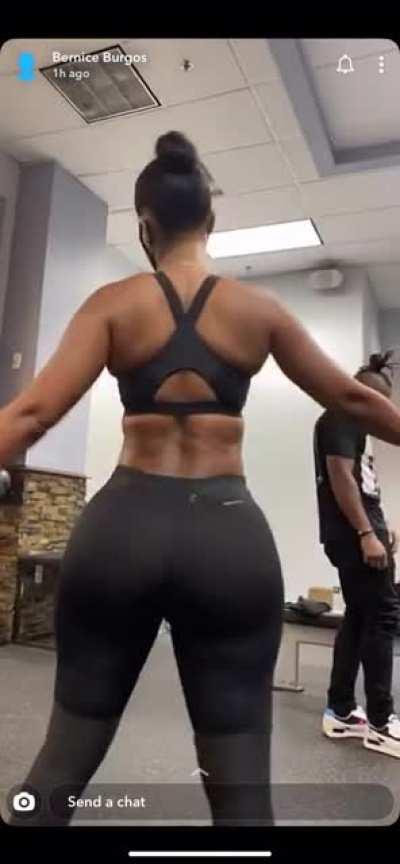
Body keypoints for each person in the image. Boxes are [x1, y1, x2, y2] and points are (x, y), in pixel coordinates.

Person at [2, 132, 400, 827]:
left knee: (62, 762)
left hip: (121, 532)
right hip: (227, 538)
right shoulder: (257, 311)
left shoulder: (113, 304)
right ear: (210, 223)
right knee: (241, 792)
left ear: (144, 227)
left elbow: (31, 414)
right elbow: (355, 399)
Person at [314, 352, 400, 757]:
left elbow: (359, 482)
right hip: (354, 534)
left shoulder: (353, 424)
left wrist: (381, 528)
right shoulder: (341, 416)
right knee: (383, 618)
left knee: (359, 618)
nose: (381, 408)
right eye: (377, 399)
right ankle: (382, 723)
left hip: (359, 531)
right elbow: (340, 477)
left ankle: (342, 711)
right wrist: (367, 533)